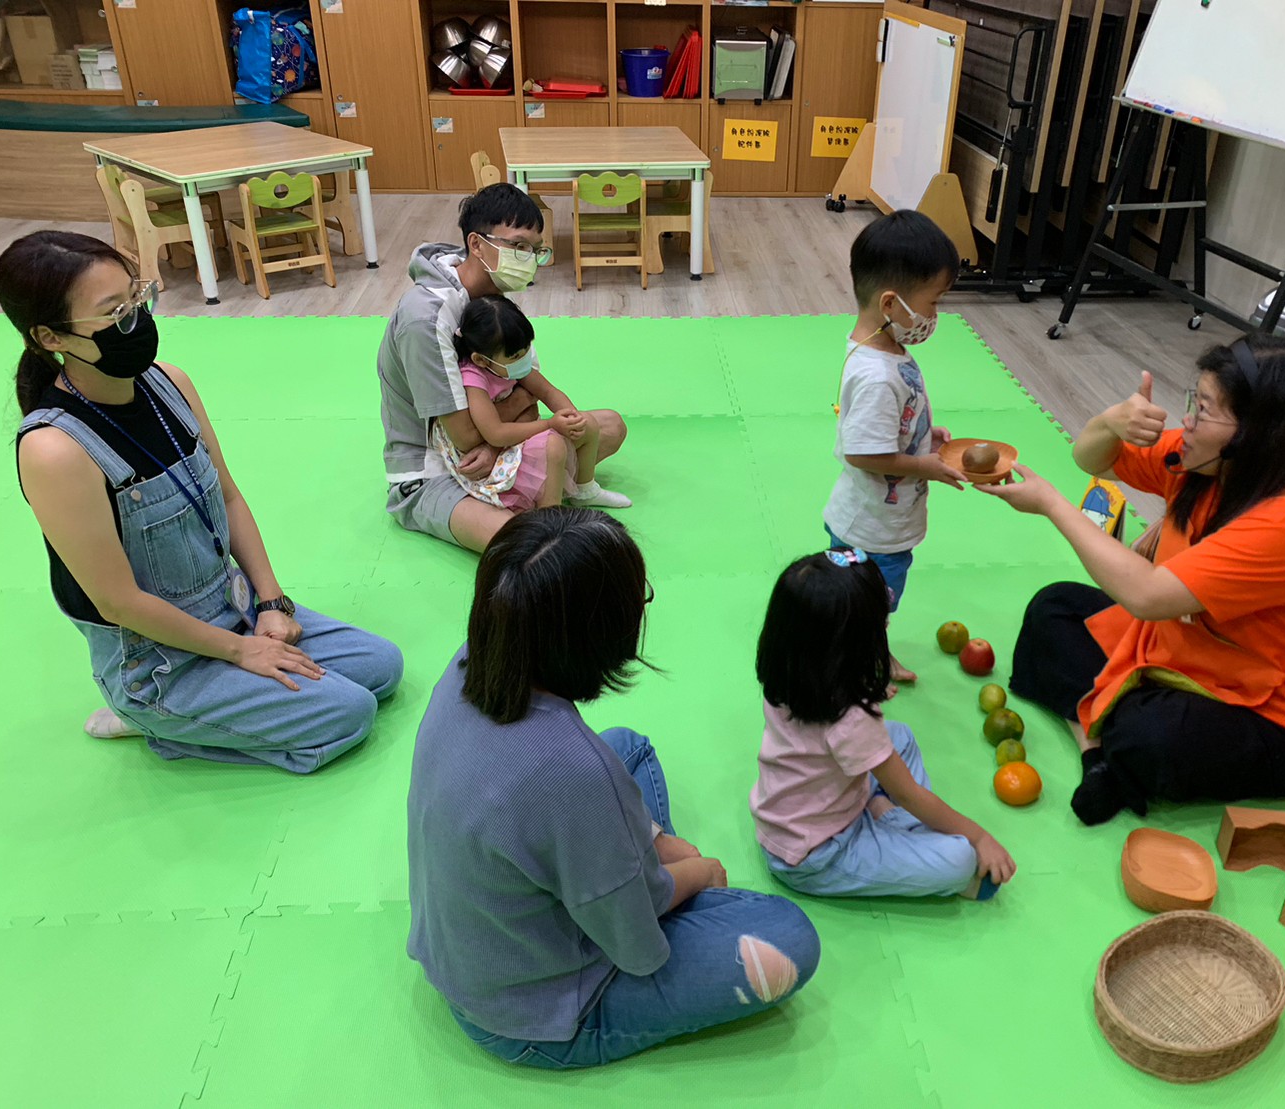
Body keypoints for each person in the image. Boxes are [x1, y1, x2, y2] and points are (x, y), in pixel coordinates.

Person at [407, 508, 819, 1069]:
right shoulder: (574, 772)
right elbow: (635, 947)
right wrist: (695, 871)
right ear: (600, 634)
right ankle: (652, 877)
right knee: (789, 935)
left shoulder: (468, 663)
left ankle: (637, 865)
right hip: (536, 1016)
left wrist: (648, 845)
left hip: (468, 953)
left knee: (629, 747)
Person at [0, 231, 403, 772]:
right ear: (51, 336)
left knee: (382, 667)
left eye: (137, 298)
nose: (137, 320)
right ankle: (150, 718)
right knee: (348, 714)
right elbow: (118, 602)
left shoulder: (171, 383)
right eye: (114, 313)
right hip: (158, 660)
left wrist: (271, 603)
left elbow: (230, 498)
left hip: (233, 608)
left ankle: (226, 697)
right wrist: (241, 652)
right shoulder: (54, 450)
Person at [980, 335, 1285, 824]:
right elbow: (1091, 458)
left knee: (1153, 735)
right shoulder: (1204, 459)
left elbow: (1145, 595)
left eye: (1203, 410)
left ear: (1256, 433)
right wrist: (1110, 421)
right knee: (1054, 608)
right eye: (1193, 402)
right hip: (1180, 648)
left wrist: (1053, 505)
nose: (1188, 421)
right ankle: (1096, 750)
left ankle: (1111, 734)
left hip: (1271, 712)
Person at [749, 549, 1016, 898]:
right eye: (880, 624)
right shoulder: (849, 718)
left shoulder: (791, 675)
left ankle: (884, 814)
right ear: (849, 646)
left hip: (797, 814)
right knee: (960, 858)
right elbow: (908, 793)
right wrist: (979, 837)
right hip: (818, 855)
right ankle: (890, 820)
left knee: (898, 736)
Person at [378, 184, 629, 552]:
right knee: (532, 547)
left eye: (535, 249)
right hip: (439, 471)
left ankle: (533, 491)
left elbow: (529, 388)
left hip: (495, 446)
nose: (529, 259)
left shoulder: (495, 296)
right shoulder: (425, 319)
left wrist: (500, 444)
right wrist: (511, 423)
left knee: (606, 426)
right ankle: (531, 499)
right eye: (519, 246)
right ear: (477, 244)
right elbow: (466, 437)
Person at [824, 210, 966, 687]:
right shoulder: (877, 374)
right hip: (872, 530)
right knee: (870, 603)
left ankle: (867, 651)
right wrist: (924, 465)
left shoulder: (883, 349)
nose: (934, 316)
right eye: (932, 302)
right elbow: (862, 452)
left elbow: (888, 427)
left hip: (878, 520)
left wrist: (928, 437)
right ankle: (858, 665)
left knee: (868, 604)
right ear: (891, 303)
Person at [432, 295, 627, 512]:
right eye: (517, 355)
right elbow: (495, 433)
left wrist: (571, 416)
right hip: (494, 454)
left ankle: (585, 490)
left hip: (517, 436)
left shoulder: (509, 364)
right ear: (481, 360)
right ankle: (549, 517)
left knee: (588, 423)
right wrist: (550, 424)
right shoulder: (474, 379)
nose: (525, 358)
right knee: (554, 445)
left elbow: (548, 392)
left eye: (527, 349)